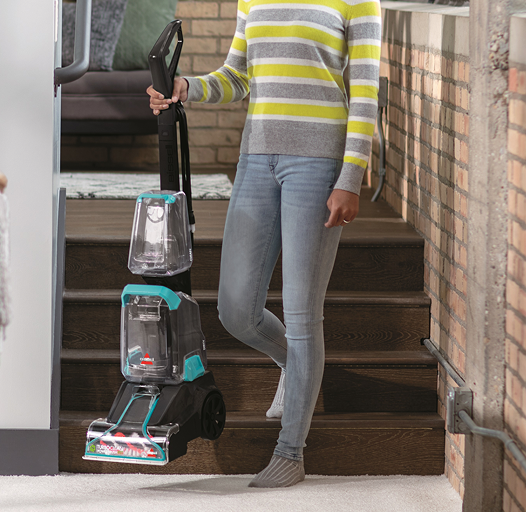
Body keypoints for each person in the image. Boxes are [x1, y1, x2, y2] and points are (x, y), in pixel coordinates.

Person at [147, 0, 382, 488]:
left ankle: (290, 453)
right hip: (256, 159)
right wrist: (187, 87)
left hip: (318, 165)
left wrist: (351, 176)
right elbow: (238, 76)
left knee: (301, 314)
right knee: (236, 309)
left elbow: (364, 92)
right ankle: (291, 366)